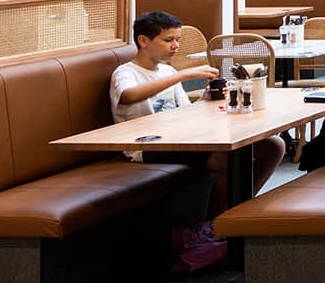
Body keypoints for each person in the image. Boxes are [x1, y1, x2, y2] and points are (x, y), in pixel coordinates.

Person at [112, 11, 285, 217]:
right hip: (146, 146)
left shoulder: (167, 71)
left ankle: (237, 212)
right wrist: (184, 75)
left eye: (177, 40)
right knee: (227, 160)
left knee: (273, 145)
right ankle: (214, 224)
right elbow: (128, 96)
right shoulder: (126, 72)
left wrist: (206, 98)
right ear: (143, 41)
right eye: (168, 40)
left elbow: (186, 111)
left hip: (181, 138)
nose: (175, 45)